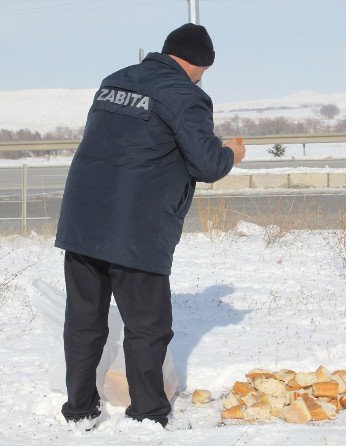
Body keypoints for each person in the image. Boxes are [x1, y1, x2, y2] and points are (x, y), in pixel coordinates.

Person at [54, 23, 246, 429]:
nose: (202, 77)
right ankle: (147, 413)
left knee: (84, 319)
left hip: (83, 218)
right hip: (135, 228)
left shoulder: (114, 81)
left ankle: (79, 410)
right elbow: (207, 164)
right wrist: (230, 152)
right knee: (148, 326)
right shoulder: (185, 95)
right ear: (198, 63)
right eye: (203, 70)